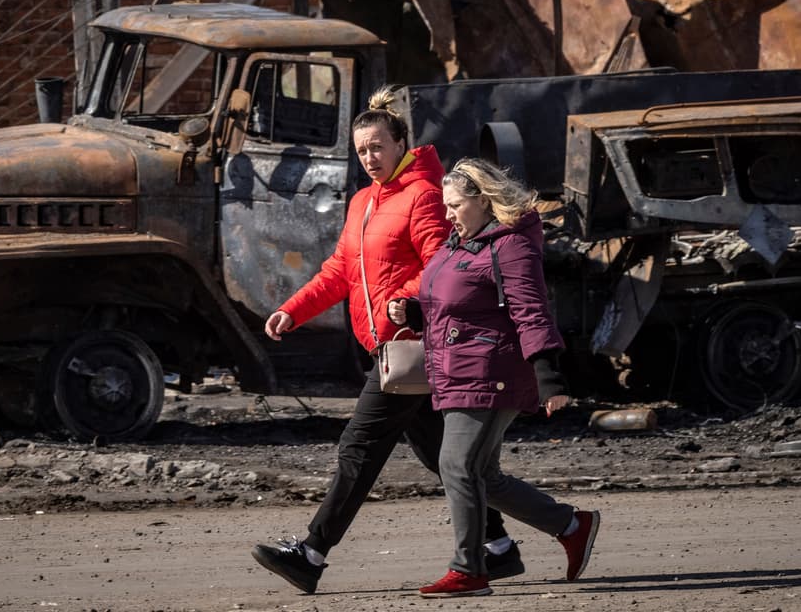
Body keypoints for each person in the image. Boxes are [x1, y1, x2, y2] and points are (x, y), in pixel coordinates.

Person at [250, 90, 522, 594]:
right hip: (386, 348)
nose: (369, 157)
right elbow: (340, 271)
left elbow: (445, 264)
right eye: (361, 150)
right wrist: (294, 310)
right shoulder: (362, 202)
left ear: (401, 143)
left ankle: (310, 553)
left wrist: (401, 296)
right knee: (441, 453)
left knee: (359, 447)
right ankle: (503, 546)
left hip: (413, 342)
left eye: (378, 146)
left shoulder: (422, 195)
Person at [394, 157, 601, 598]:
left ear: (484, 201)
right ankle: (570, 524)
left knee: (456, 465)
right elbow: (455, 302)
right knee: (482, 473)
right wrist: (415, 312)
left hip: (493, 373)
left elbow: (532, 310)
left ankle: (469, 570)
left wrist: (549, 376)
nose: (447, 214)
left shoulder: (510, 245)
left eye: (454, 205)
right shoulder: (459, 242)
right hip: (458, 371)